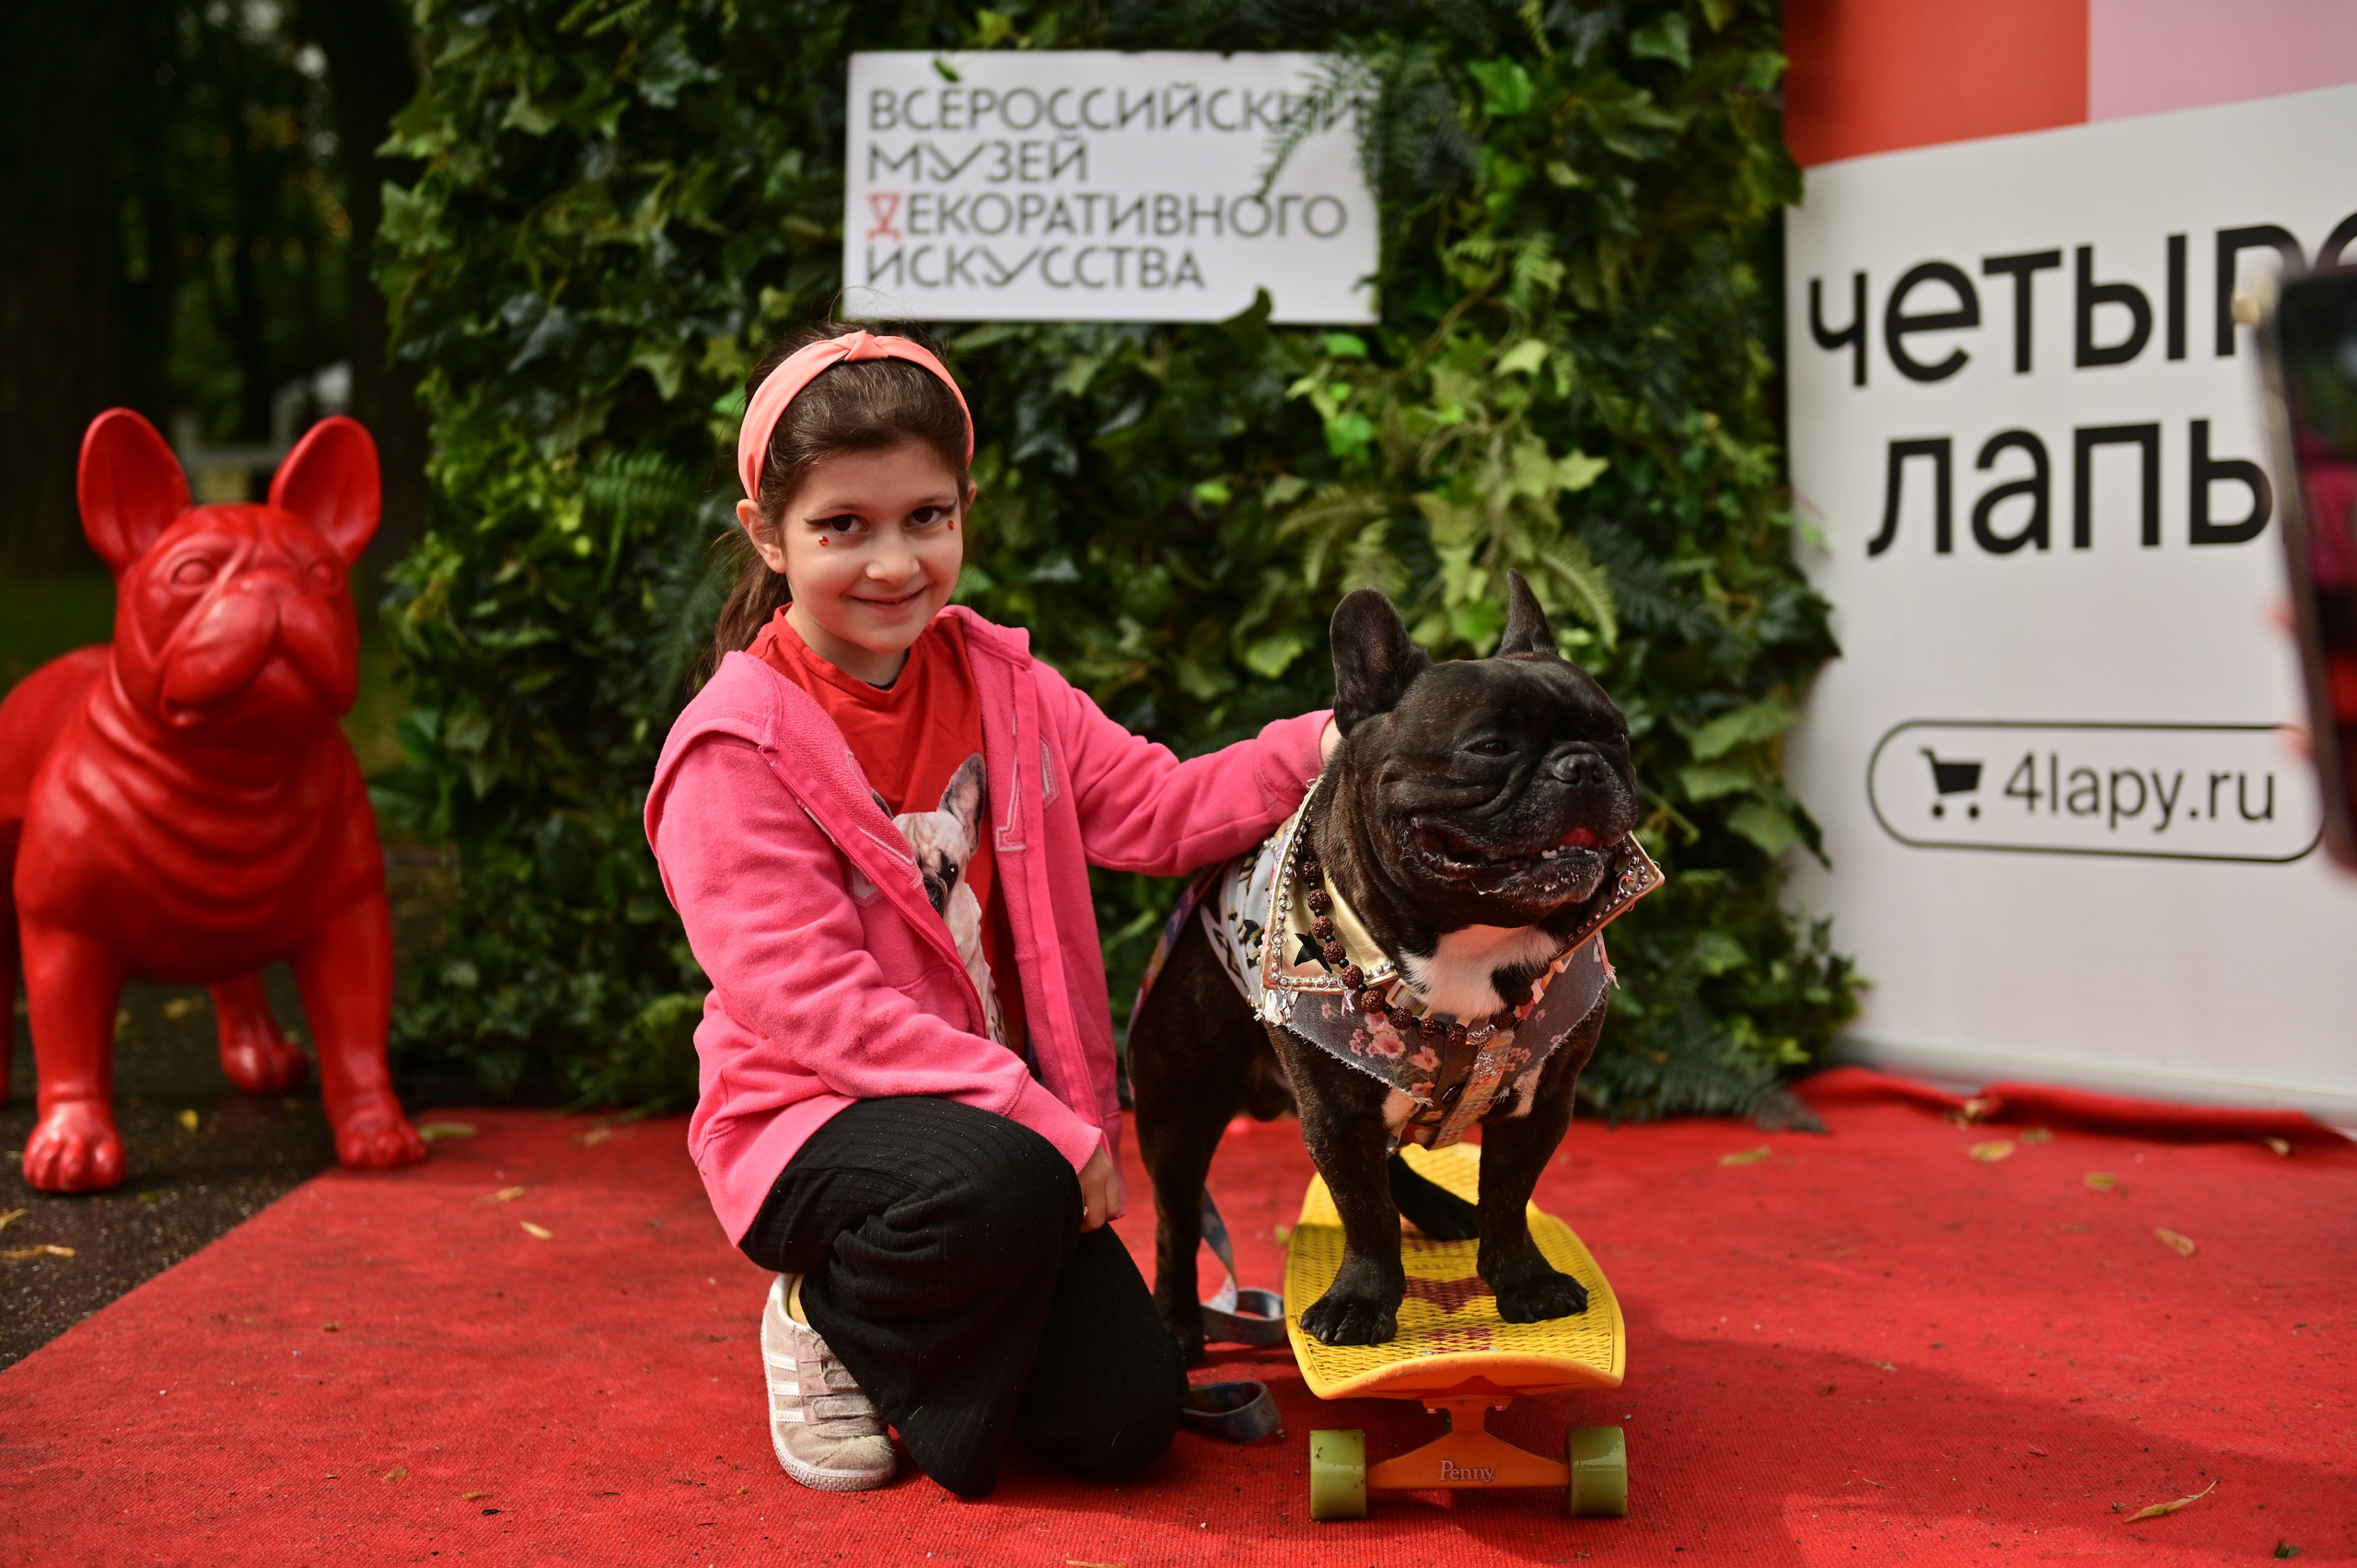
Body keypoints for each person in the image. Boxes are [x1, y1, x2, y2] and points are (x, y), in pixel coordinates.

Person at [643, 321, 1336, 1497]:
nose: (892, 562)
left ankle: (937, 1324)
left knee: (1126, 1422)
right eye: (841, 527)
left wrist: (1321, 745)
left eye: (926, 517)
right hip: (818, 1124)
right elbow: (820, 1013)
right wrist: (1056, 1127)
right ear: (766, 532)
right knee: (1000, 1178)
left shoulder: (1003, 684)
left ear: (965, 507)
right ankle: (822, 1305)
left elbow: (1160, 809)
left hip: (998, 1133)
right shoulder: (732, 746)